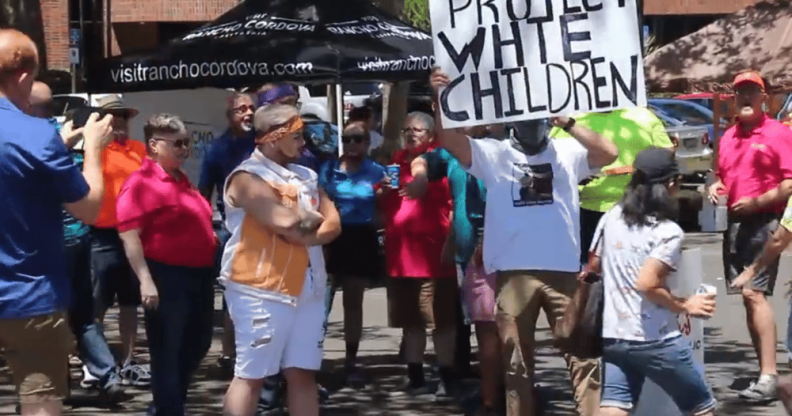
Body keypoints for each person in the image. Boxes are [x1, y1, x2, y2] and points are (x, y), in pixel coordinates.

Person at [430, 67, 618, 416]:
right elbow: (450, 141)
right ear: (513, 123)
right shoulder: (493, 153)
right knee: (516, 363)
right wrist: (441, 97)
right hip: (514, 274)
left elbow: (609, 152)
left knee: (582, 358)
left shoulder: (567, 152)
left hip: (562, 271)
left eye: (539, 120)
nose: (533, 126)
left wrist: (570, 123)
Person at [0, 28, 113, 416]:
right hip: (29, 295)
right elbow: (89, 209)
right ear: (23, 77)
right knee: (40, 400)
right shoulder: (34, 134)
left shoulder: (37, 140)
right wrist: (93, 150)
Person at [221, 103, 341, 416]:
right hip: (260, 290)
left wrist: (305, 228)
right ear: (274, 137)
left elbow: (333, 223)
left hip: (309, 287)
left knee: (302, 373)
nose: (305, 143)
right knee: (252, 376)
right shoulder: (246, 178)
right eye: (298, 136)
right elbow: (285, 222)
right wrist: (307, 222)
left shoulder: (306, 175)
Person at [594, 147, 717, 416]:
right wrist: (686, 305)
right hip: (656, 338)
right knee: (701, 407)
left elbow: (594, 265)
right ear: (670, 185)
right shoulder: (667, 232)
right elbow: (647, 284)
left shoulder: (610, 218)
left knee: (614, 405)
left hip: (615, 334)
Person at [28, 82, 126, 402]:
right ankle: (107, 375)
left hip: (49, 240)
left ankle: (59, 383)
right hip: (80, 234)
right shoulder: (68, 132)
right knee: (83, 312)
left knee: (51, 314)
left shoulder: (26, 137)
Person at [117, 114, 217, 416]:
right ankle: (168, 407)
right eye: (179, 144)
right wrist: (145, 279)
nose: (185, 149)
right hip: (167, 275)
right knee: (168, 349)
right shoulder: (141, 182)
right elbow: (128, 232)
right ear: (154, 145)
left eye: (187, 143)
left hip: (199, 275)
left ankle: (168, 403)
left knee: (198, 342)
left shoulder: (181, 179)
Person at [707, 71, 792, 402]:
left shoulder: (778, 134)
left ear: (763, 99)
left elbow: (790, 182)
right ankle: (764, 371)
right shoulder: (728, 136)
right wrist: (714, 185)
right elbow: (716, 174)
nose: (745, 97)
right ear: (733, 98)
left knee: (754, 294)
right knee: (747, 295)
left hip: (766, 221)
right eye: (739, 92)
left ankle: (770, 376)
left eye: (751, 92)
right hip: (735, 224)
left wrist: (759, 201)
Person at [380, 111, 459, 398]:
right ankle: (415, 379)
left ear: (429, 135)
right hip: (401, 259)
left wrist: (451, 243)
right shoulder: (396, 160)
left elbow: (454, 206)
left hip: (434, 259)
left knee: (441, 324)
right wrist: (382, 191)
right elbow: (381, 200)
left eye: (416, 130)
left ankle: (447, 378)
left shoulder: (440, 161)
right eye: (406, 129)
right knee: (410, 323)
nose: (410, 134)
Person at [549, 108, 674, 264]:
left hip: (635, 208)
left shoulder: (643, 116)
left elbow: (665, 156)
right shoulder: (568, 120)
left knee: (626, 266)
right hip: (587, 209)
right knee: (591, 269)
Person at [88, 94, 152, 387]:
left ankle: (128, 360)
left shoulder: (139, 150)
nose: (119, 122)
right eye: (114, 116)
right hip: (102, 234)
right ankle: (93, 364)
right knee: (97, 302)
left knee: (129, 302)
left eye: (124, 116)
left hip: (135, 234)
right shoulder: (95, 151)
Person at [319, 121, 386, 385]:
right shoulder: (329, 169)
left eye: (358, 139)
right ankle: (312, 360)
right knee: (320, 301)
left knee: (353, 302)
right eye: (347, 139)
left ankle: (351, 360)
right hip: (331, 237)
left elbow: (384, 207)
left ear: (368, 143)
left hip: (361, 238)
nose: (352, 145)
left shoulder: (377, 172)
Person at [198, 92, 256, 374]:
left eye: (250, 108)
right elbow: (203, 192)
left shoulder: (264, 142)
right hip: (232, 230)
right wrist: (207, 227)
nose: (247, 113)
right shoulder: (218, 148)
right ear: (229, 116)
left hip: (269, 226)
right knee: (233, 292)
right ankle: (229, 353)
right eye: (240, 109)